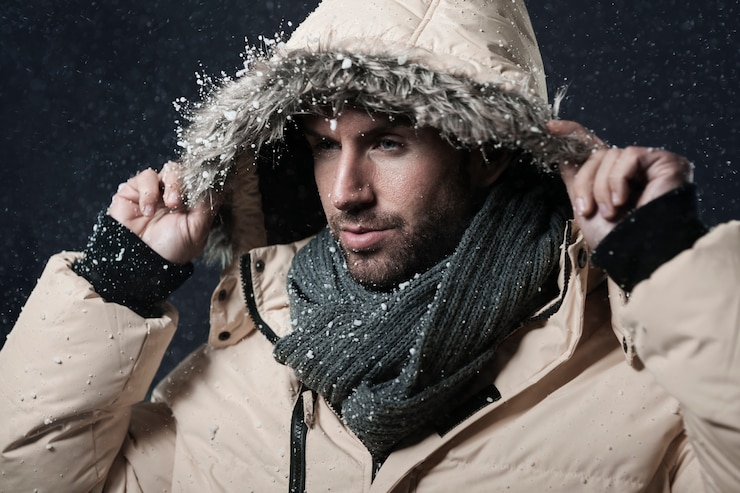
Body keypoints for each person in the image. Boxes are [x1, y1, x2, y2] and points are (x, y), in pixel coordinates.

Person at [1, 0, 739, 491]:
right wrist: (121, 282)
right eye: (325, 146)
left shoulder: (634, 377)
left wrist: (665, 264)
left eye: (387, 142)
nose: (345, 191)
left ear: (487, 152)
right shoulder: (247, 357)